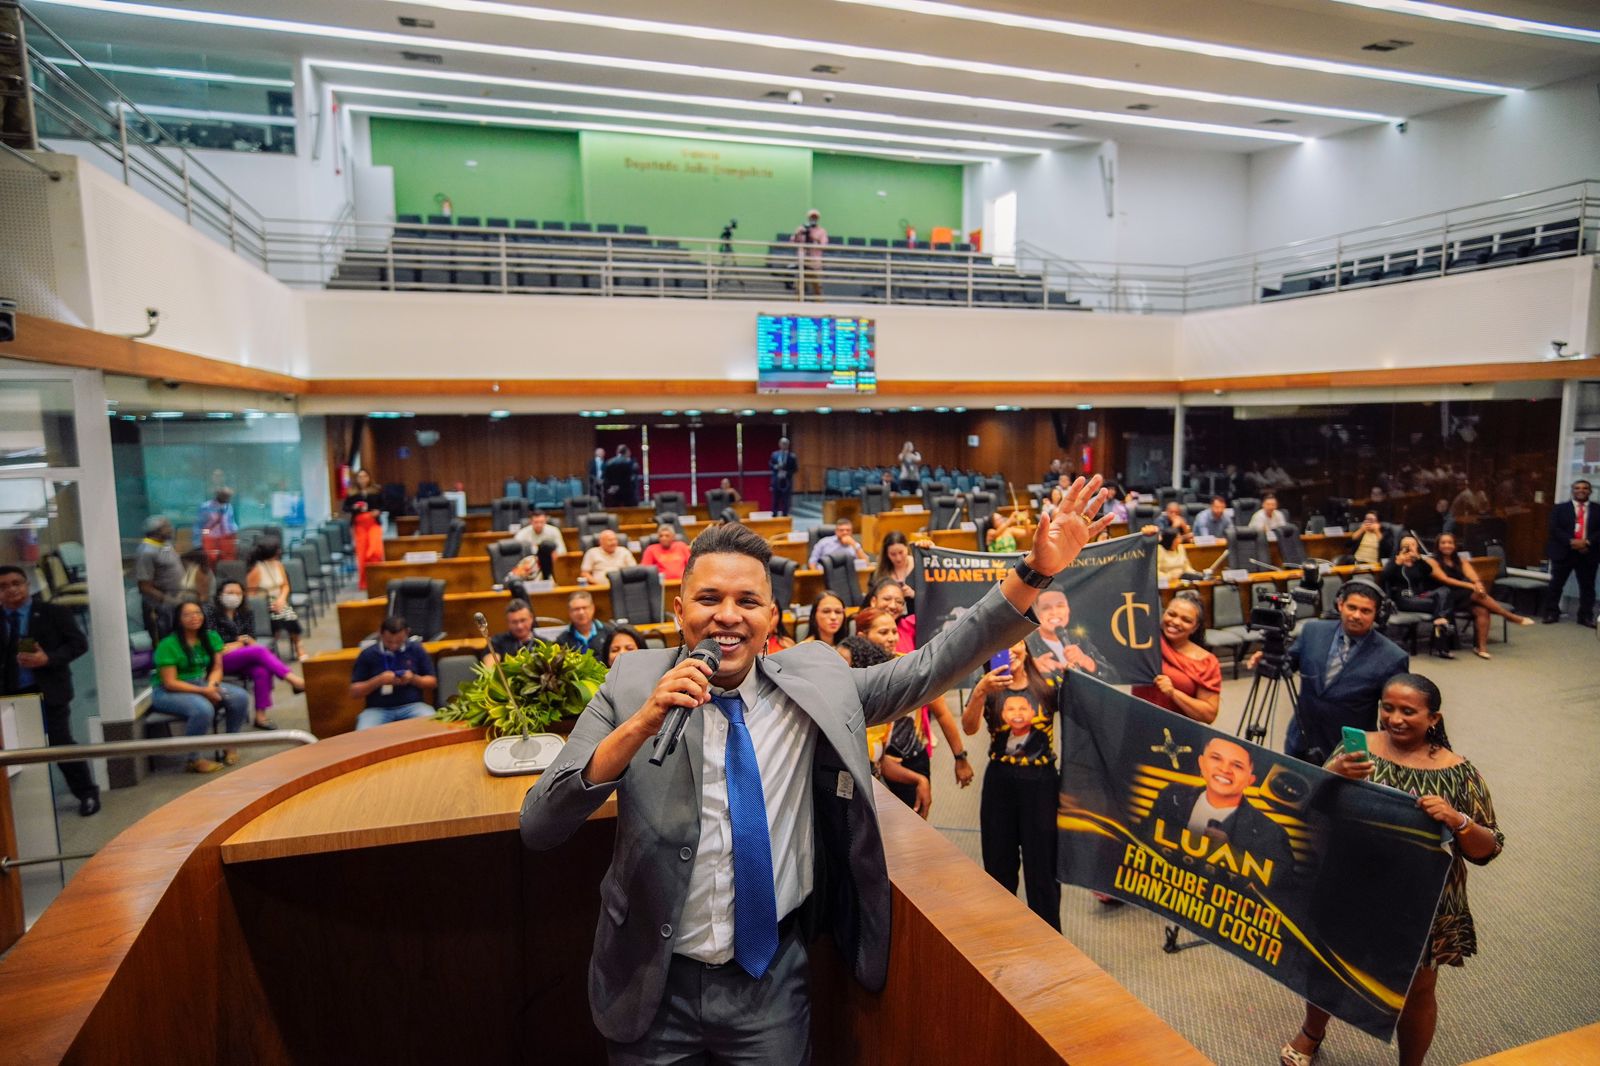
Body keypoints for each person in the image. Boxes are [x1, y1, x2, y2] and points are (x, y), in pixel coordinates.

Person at [519, 477, 1112, 1062]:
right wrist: (642, 724)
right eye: (708, 600)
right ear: (679, 611)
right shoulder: (629, 683)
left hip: (770, 985)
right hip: (651, 981)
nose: (728, 616)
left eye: (747, 602)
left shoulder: (817, 683)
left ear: (770, 617)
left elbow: (931, 665)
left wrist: (1033, 572)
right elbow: (541, 823)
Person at [1280, 673, 1503, 1066]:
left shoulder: (1458, 772)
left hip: (1420, 902)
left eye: (1408, 711)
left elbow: (1489, 849)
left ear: (1434, 718)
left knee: (1417, 989)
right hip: (1349, 886)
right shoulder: (1358, 748)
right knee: (1329, 965)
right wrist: (1333, 777)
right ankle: (1311, 1032)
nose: (1395, 718)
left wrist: (1458, 820)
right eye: (1388, 707)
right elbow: (1311, 808)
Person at [1249, 581, 1408, 766]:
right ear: (1340, 604)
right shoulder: (1313, 630)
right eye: (1352, 607)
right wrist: (1269, 656)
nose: (1356, 615)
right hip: (1301, 739)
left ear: (1377, 615)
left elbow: (1394, 715)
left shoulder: (1393, 657)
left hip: (1347, 751)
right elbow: (1289, 662)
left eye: (1365, 611)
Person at [962, 638, 1061, 929]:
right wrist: (981, 690)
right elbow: (969, 727)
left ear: (1026, 645)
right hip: (1001, 784)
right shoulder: (990, 688)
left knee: (1042, 864)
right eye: (1000, 644)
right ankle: (1004, 931)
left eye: (1015, 642)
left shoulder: (1048, 684)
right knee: (998, 861)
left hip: (1042, 784)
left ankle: (1049, 934)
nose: (1009, 650)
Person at [852, 606, 973, 817]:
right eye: (883, 632)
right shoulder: (851, 673)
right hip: (867, 765)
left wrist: (959, 757)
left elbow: (943, 713)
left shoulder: (911, 667)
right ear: (862, 636)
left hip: (911, 758)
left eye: (893, 631)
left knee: (916, 827)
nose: (891, 638)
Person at [0, 565, 97, 815]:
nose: (11, 590)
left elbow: (79, 644)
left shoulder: (52, 612)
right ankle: (23, 808)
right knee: (13, 750)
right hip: (9, 695)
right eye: (3, 586)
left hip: (49, 690)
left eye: (16, 583)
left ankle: (87, 793)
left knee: (60, 743)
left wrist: (49, 659)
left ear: (27, 586)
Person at [1145, 738, 1295, 888]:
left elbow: (1282, 886)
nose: (1224, 770)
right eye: (1216, 758)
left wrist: (1231, 853)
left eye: (1237, 765)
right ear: (1202, 764)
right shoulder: (1172, 796)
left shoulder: (1271, 832)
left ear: (1250, 779)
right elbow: (1143, 837)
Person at [150, 598, 249, 773]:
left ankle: (230, 743)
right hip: (168, 691)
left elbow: (217, 668)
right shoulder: (168, 645)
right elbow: (170, 683)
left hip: (202, 683)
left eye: (197, 613)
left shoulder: (210, 637)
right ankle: (193, 759)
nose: (194, 617)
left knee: (240, 697)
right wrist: (204, 691)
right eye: (187, 614)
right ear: (178, 619)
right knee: (202, 709)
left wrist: (212, 685)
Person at [205, 579, 303, 728]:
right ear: (220, 595)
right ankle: (293, 679)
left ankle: (260, 717)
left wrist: (241, 643)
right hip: (217, 661)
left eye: (238, 593)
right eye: (230, 593)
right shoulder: (211, 613)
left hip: (242, 657)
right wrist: (240, 643)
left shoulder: (245, 612)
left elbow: (251, 639)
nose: (234, 596)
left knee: (261, 670)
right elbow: (214, 645)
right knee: (259, 651)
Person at [1422, 532, 1534, 659]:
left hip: (1464, 596)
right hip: (1444, 598)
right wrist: (1471, 586)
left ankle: (1481, 648)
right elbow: (1446, 579)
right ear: (1438, 545)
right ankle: (1510, 616)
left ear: (1455, 545)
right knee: (1475, 593)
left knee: (1482, 610)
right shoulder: (1431, 561)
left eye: (1450, 543)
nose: (1447, 545)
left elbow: (1472, 575)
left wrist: (1478, 584)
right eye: (1443, 543)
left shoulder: (1460, 560)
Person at [1131, 590, 1221, 723]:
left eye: (1186, 620)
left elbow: (1208, 715)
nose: (1176, 622)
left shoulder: (1206, 662)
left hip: (1178, 733)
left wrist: (1173, 693)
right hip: (1139, 722)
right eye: (1171, 614)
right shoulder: (1145, 642)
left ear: (1195, 627)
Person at [348, 616, 437, 730]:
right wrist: (378, 681)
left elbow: (432, 682)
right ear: (380, 633)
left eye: (399, 641)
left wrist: (413, 679)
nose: (394, 645)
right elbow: (354, 692)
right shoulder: (368, 654)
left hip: (412, 706)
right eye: (389, 641)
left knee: (433, 725)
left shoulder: (416, 649)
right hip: (377, 709)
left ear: (407, 633)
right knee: (363, 732)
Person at [1381, 535, 1455, 657]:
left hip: (1420, 596)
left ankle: (1439, 620)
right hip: (1403, 599)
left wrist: (1419, 558)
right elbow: (1384, 578)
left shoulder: (1418, 562)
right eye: (1407, 545)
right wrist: (1398, 563)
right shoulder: (1395, 560)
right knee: (1444, 605)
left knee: (1445, 591)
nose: (1410, 547)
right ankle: (1442, 642)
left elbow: (1429, 571)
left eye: (1413, 544)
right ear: (1401, 547)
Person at [1027, 587, 1115, 682]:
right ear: (1036, 614)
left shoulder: (1079, 639)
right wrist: (1032, 669)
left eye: (1060, 606)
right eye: (1046, 608)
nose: (1054, 612)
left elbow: (1114, 679)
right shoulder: (1026, 643)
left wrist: (1086, 661)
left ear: (1068, 610)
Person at [1542, 479, 1597, 626]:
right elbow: (1554, 529)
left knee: (1587, 587)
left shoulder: (1598, 509)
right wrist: (1571, 542)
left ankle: (1585, 616)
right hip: (1563, 552)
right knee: (1556, 585)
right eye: (1577, 488)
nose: (1581, 490)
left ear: (1590, 491)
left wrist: (1587, 542)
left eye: (1585, 488)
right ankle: (1551, 613)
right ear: (1573, 491)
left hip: (1588, 552)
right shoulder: (1560, 508)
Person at [246, 537, 304, 660]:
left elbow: (285, 586)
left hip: (279, 600)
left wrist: (281, 599)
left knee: (289, 615)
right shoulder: (256, 570)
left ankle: (299, 646)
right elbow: (250, 595)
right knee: (278, 618)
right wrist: (267, 603)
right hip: (264, 604)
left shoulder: (278, 565)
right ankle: (270, 651)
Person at [134, 514, 185, 637]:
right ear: (156, 531)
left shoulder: (166, 544)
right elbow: (144, 586)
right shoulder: (146, 552)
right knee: (164, 639)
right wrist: (168, 600)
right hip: (160, 606)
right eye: (166, 526)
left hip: (175, 602)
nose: (171, 529)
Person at [342, 469, 386, 591]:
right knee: (362, 554)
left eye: (365, 476)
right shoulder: (352, 492)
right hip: (359, 525)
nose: (362, 479)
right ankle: (364, 582)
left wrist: (378, 511)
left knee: (375, 550)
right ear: (356, 479)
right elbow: (345, 508)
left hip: (373, 523)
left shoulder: (376, 490)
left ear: (369, 477)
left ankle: (377, 579)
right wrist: (354, 507)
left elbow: (384, 505)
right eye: (360, 477)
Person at [869, 530, 917, 613]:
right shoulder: (879, 574)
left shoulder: (919, 566)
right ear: (886, 554)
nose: (898, 558)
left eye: (901, 552)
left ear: (907, 548)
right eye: (893, 554)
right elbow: (872, 600)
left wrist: (914, 594)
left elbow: (931, 597)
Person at [512, 509, 566, 581]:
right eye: (536, 522)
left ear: (545, 521)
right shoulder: (522, 534)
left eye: (541, 522)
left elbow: (562, 550)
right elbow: (516, 553)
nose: (539, 525)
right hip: (529, 566)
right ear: (530, 522)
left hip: (551, 563)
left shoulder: (554, 531)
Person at [553, 590, 611, 656]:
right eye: (576, 609)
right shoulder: (562, 640)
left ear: (593, 608)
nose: (581, 612)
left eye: (585, 608)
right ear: (569, 612)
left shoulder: (609, 632)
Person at [487, 598, 544, 663]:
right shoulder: (496, 642)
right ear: (508, 622)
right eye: (514, 622)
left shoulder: (543, 643)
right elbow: (490, 668)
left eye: (523, 620)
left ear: (531, 618)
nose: (519, 626)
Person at [790, 208, 828, 298]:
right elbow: (792, 242)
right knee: (799, 285)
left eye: (815, 217)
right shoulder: (801, 228)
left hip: (814, 262)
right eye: (811, 217)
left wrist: (813, 238)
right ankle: (798, 303)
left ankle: (819, 304)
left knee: (817, 285)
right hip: (802, 261)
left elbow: (824, 245)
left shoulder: (821, 231)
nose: (813, 219)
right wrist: (798, 234)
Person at [194, 487, 237, 563]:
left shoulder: (229, 507)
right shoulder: (206, 507)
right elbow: (199, 526)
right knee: (210, 561)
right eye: (225, 496)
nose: (227, 499)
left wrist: (234, 534)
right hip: (210, 539)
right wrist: (198, 542)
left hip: (226, 540)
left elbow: (231, 523)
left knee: (228, 562)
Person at [769, 437, 797, 516]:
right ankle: (774, 514)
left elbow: (795, 469)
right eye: (782, 443)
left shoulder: (792, 456)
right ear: (779, 444)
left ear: (788, 445)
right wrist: (776, 467)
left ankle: (785, 514)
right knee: (775, 498)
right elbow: (770, 465)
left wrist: (787, 473)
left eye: (785, 444)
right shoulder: (774, 454)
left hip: (786, 480)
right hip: (776, 479)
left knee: (785, 499)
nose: (784, 445)